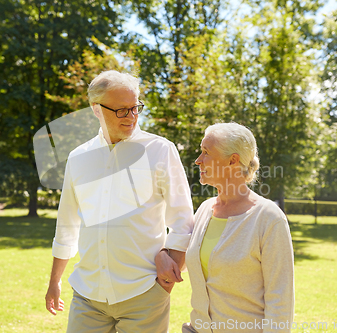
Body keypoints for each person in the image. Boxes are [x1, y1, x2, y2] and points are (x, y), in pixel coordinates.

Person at [44, 70, 194, 333]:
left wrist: (166, 282)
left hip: (144, 294)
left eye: (135, 108)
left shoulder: (160, 150)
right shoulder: (78, 157)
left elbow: (183, 221)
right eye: (122, 110)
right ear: (96, 110)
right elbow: (67, 223)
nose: (131, 117)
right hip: (88, 294)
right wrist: (55, 280)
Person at [157, 122, 294, 333]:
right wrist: (162, 254)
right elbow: (186, 261)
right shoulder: (204, 210)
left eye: (206, 152)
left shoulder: (268, 218)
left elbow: (280, 301)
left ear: (232, 160)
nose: (198, 160)